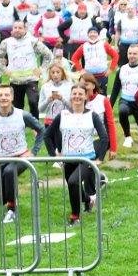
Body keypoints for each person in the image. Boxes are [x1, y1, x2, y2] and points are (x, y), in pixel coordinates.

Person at [0, 86, 46, 224]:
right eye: (0, 95)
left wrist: (33, 152)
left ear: (12, 97)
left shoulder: (22, 115)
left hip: (20, 157)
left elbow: (41, 130)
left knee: (9, 172)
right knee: (2, 199)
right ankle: (9, 202)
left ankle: (12, 210)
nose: (4, 98)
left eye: (7, 95)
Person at [45, 83, 109, 225]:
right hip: (68, 159)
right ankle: (88, 200)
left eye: (81, 94)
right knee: (73, 186)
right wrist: (54, 156)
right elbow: (47, 135)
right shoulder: (63, 115)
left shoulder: (92, 115)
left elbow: (104, 137)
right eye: (74, 94)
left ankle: (75, 217)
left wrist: (99, 158)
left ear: (86, 96)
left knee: (74, 182)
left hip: (86, 159)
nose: (77, 96)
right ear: (71, 96)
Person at [0, 20, 52, 117]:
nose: (17, 30)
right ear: (12, 30)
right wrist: (4, 69)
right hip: (15, 80)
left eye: (20, 28)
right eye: (15, 28)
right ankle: (19, 125)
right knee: (17, 106)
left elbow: (48, 55)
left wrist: (42, 69)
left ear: (25, 29)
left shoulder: (33, 41)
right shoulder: (6, 42)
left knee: (33, 101)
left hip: (31, 79)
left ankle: (36, 126)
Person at [110, 45, 138, 148]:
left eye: (135, 54)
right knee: (122, 111)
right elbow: (115, 90)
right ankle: (128, 137)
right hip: (125, 101)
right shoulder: (122, 69)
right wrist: (109, 106)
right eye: (130, 53)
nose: (132, 56)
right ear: (127, 54)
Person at [70, 27, 118, 93]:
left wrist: (111, 69)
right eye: (90, 32)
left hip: (102, 75)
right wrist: (80, 70)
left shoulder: (104, 44)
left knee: (102, 94)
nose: (92, 34)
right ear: (88, 35)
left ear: (98, 34)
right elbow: (74, 58)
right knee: (89, 94)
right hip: (89, 77)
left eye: (95, 32)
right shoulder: (84, 46)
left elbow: (115, 55)